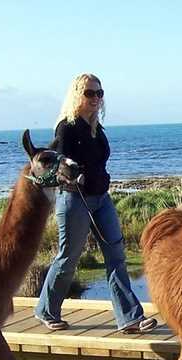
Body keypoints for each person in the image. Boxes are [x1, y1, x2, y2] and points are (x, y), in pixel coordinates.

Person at [35, 73, 157, 334]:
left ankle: (130, 318)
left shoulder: (96, 128)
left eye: (99, 93)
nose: (95, 98)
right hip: (75, 199)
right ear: (77, 95)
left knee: (116, 256)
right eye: (90, 93)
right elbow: (57, 162)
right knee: (68, 257)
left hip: (101, 198)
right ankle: (46, 310)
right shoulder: (65, 128)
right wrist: (72, 173)